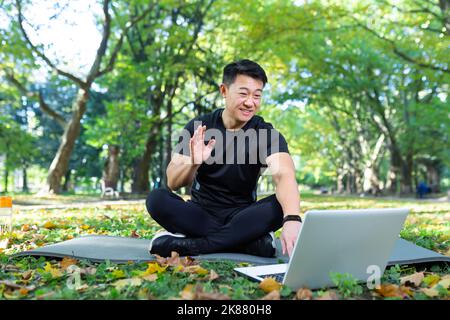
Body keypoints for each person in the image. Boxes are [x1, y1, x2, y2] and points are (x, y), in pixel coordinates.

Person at [146, 59, 301, 258]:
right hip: (200, 214)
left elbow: (284, 175)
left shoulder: (265, 133)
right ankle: (247, 242)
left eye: (257, 95)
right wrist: (194, 162)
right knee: (157, 199)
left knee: (281, 206)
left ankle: (193, 245)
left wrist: (292, 219)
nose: (250, 102)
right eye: (243, 93)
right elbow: (173, 182)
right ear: (224, 91)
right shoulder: (199, 127)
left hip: (243, 216)